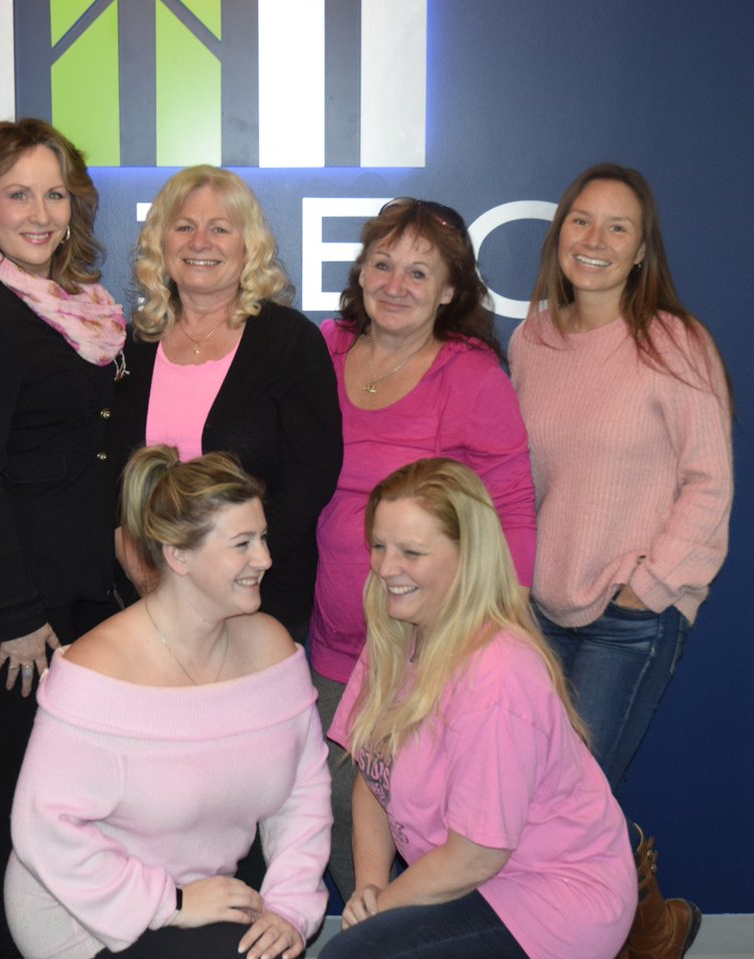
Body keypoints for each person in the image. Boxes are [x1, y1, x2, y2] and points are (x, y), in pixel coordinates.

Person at [510, 163, 732, 957]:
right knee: (540, 802)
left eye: (617, 228)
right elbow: (520, 478)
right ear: (559, 231)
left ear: (642, 251)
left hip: (627, 619)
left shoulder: (674, 342)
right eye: (581, 221)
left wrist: (650, 587)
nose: (594, 241)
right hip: (537, 611)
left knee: (571, 802)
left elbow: (709, 481)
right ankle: (651, 926)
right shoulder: (531, 336)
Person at [6, 446, 331, 959]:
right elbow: (42, 828)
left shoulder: (272, 651)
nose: (265, 559)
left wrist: (290, 907)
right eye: (242, 543)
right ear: (178, 556)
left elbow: (303, 793)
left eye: (263, 538)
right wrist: (170, 902)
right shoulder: (96, 673)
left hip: (201, 893)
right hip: (83, 913)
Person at [0, 118, 125, 959]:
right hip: (22, 599)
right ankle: (12, 948)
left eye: (55, 193)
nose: (40, 212)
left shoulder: (86, 305)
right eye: (18, 193)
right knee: (28, 783)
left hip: (87, 583)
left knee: (81, 790)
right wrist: (15, 612)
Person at [308, 198, 535, 898]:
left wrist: (494, 630)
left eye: (418, 271)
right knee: (345, 824)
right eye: (382, 264)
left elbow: (513, 511)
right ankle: (367, 934)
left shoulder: (470, 376)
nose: (395, 283)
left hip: (430, 655)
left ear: (449, 290)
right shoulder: (324, 348)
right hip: (332, 649)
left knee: (440, 834)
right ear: (361, 272)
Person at [320, 458, 634, 959]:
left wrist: (381, 911)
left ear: (467, 558)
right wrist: (369, 889)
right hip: (471, 879)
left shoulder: (497, 677)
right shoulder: (396, 636)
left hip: (551, 899)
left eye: (411, 552)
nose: (385, 567)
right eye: (379, 545)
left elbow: (476, 856)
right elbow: (371, 778)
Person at [108, 165, 342, 640]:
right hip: (149, 595)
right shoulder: (131, 345)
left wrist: (231, 566)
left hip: (258, 601)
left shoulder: (290, 343)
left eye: (220, 228)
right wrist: (129, 546)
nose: (200, 242)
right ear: (161, 242)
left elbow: (312, 474)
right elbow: (106, 465)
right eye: (184, 227)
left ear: (247, 246)